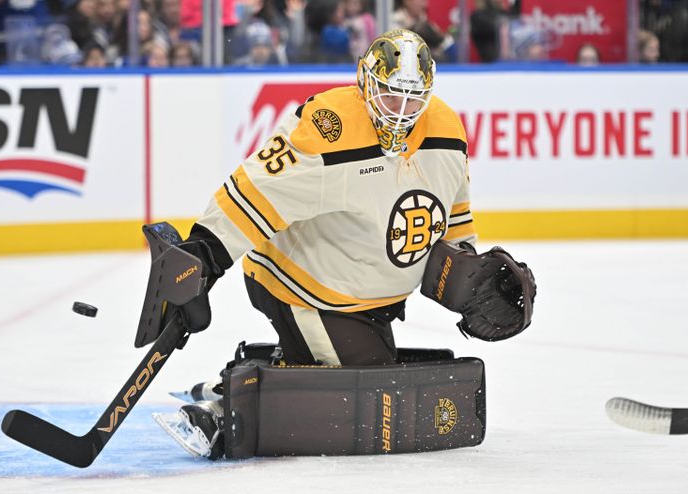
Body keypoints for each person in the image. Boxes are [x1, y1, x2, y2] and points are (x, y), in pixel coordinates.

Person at [155, 29, 535, 460]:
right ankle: (227, 411)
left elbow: (454, 215)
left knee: (379, 380)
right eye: (391, 95)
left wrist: (470, 273)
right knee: (369, 400)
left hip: (371, 300)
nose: (402, 111)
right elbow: (253, 194)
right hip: (304, 289)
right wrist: (204, 256)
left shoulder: (447, 131)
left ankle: (233, 382)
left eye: (413, 99)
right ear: (366, 82)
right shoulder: (328, 128)